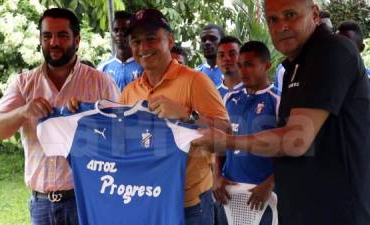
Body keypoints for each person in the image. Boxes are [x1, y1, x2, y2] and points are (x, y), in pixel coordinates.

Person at [192, 0, 370, 225]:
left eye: (290, 14)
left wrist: (228, 141)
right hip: (303, 207)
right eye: (273, 19)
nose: (282, 26)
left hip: (339, 212)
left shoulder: (331, 50)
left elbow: (294, 140)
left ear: (315, 14)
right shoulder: (295, 66)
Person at [0, 8, 120, 225]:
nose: (54, 42)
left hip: (85, 200)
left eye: (62, 36)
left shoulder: (100, 83)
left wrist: (90, 120)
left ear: (77, 40)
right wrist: (23, 111)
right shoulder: (24, 84)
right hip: (41, 206)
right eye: (47, 36)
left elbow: (120, 138)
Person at [120, 8, 230, 225]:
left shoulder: (194, 81)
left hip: (189, 205)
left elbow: (226, 136)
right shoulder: (129, 92)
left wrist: (188, 116)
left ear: (170, 41)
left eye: (151, 39)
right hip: (147, 199)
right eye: (136, 41)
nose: (143, 47)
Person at [215, 41, 279, 225]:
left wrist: (269, 184)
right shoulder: (229, 98)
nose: (243, 70)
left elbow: (291, 151)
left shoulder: (278, 100)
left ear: (267, 65)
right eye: (240, 65)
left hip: (261, 195)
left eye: (250, 65)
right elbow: (219, 143)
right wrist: (216, 176)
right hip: (227, 192)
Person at [273, 8, 333, 94]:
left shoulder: (336, 65)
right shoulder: (284, 70)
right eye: (321, 31)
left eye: (330, 31)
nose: (328, 37)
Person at [337, 21, 370, 110]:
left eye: (349, 46)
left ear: (361, 48)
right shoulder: (327, 79)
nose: (341, 51)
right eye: (338, 46)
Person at [97, 11, 143, 91]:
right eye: (116, 30)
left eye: (124, 30)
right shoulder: (102, 68)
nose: (119, 34)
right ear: (112, 34)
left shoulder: (144, 66)